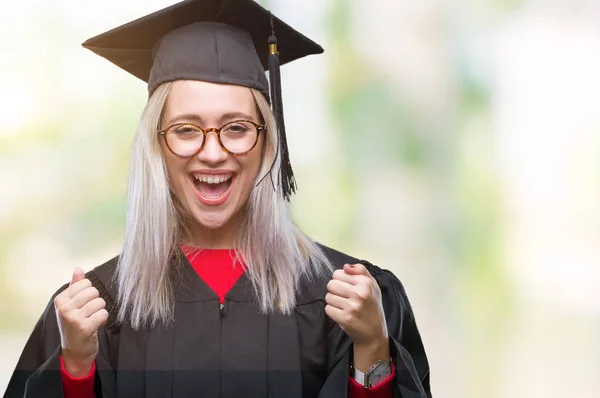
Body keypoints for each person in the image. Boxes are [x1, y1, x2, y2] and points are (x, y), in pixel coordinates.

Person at [4, 0, 431, 397]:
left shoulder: (346, 299)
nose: (213, 152)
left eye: (237, 127)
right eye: (186, 129)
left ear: (268, 142)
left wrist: (373, 350)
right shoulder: (99, 309)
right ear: (155, 147)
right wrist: (76, 368)